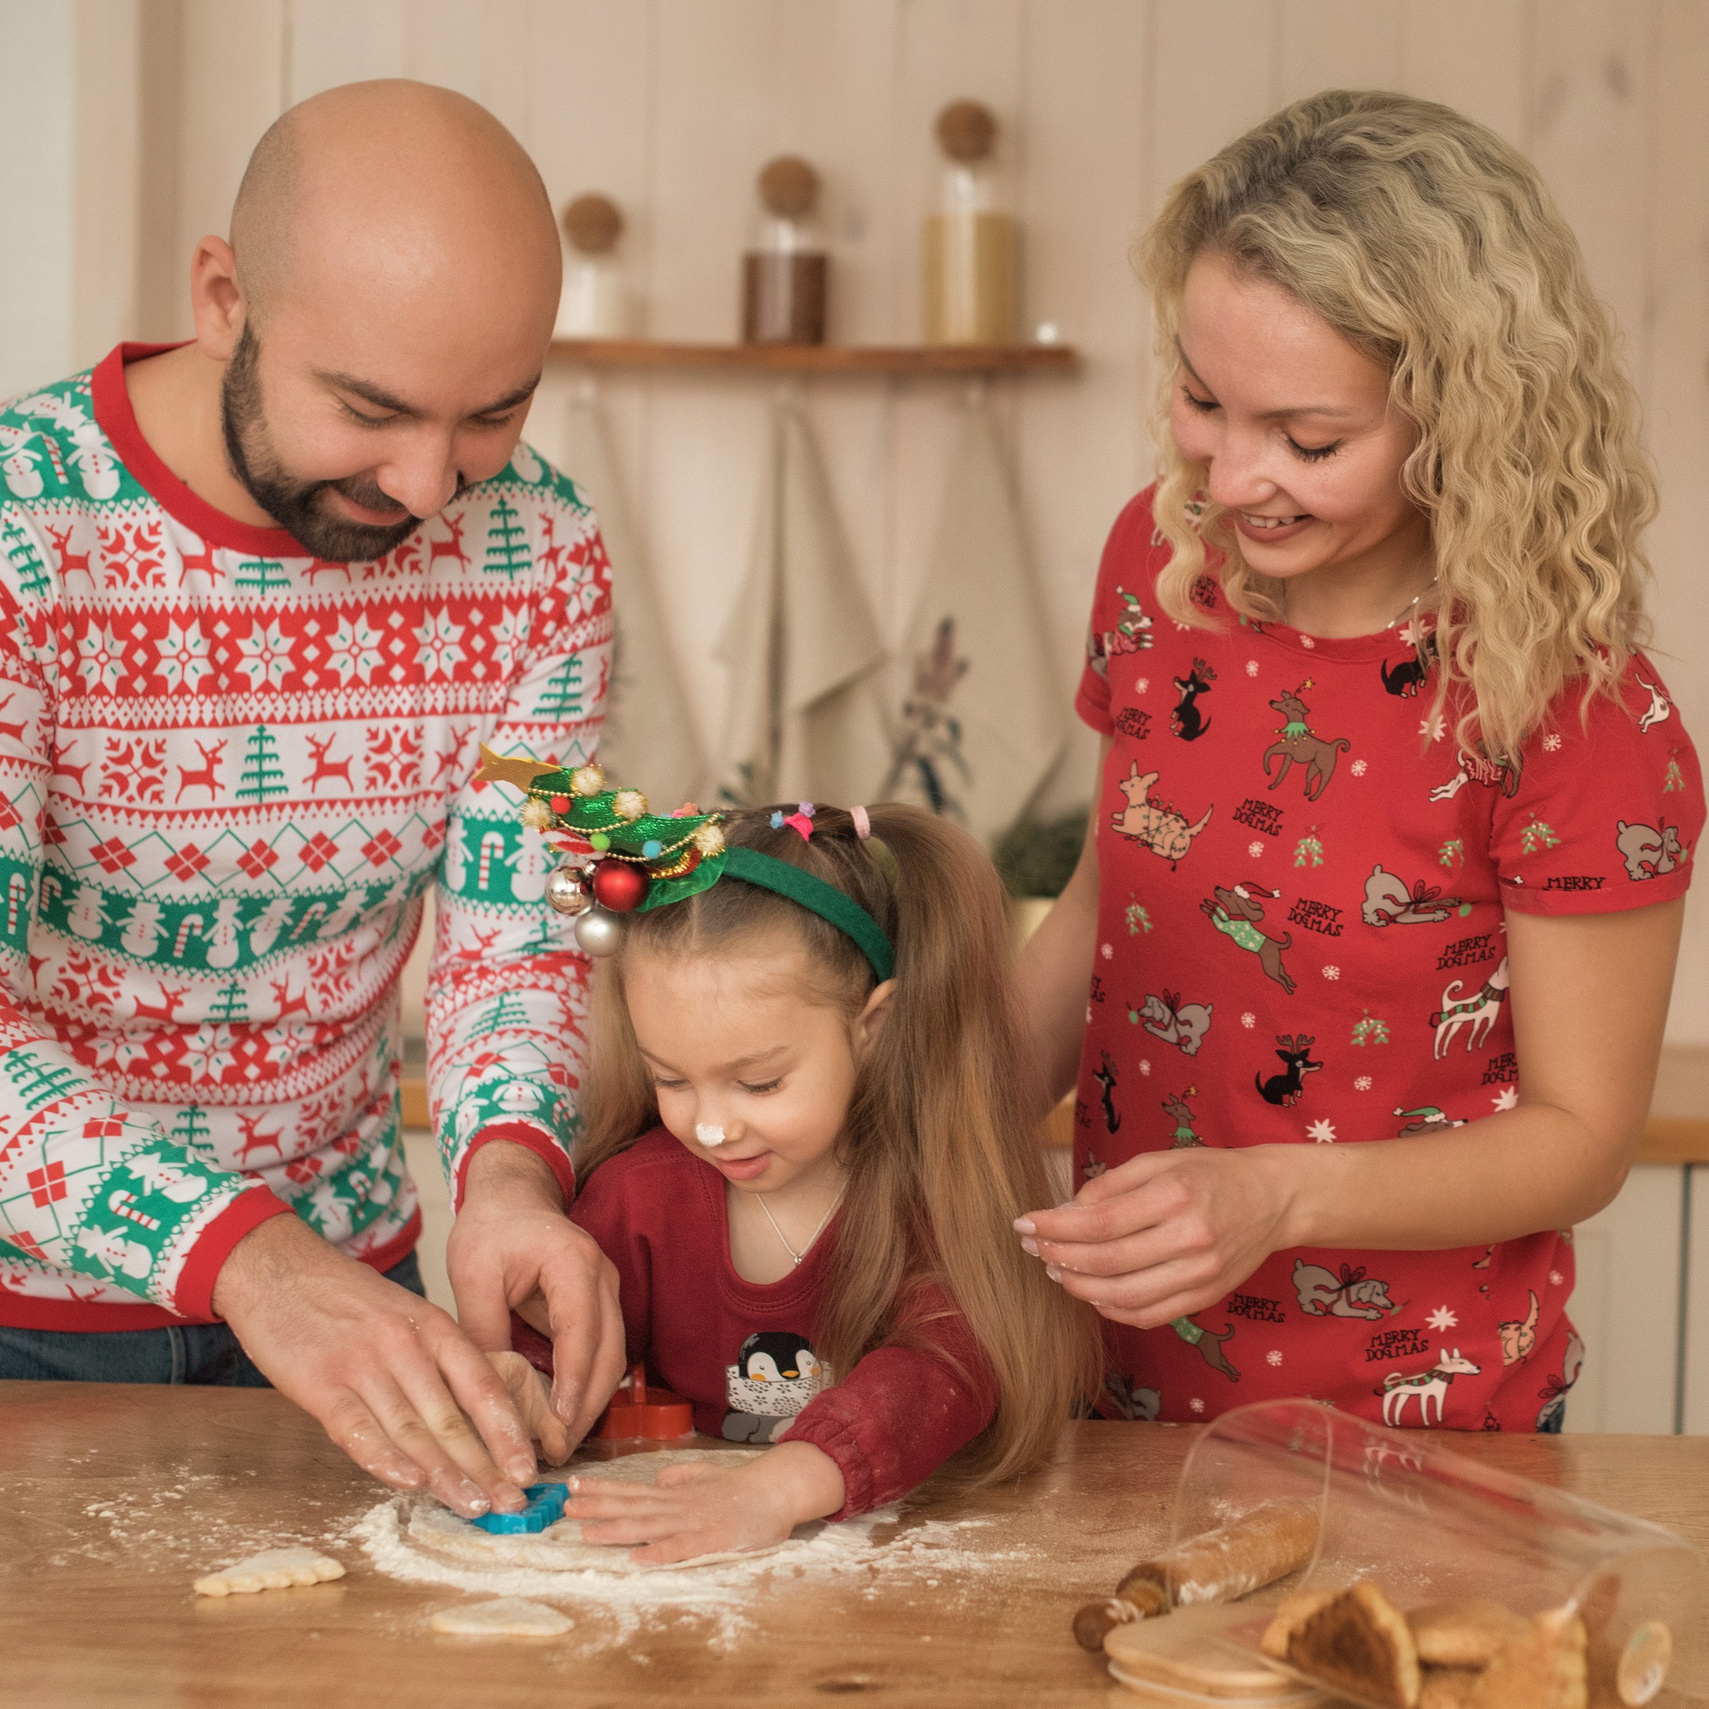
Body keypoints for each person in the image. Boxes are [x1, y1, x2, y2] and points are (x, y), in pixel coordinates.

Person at [1015, 90, 1704, 1430]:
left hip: (1429, 1432)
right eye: (1203, 400)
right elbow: (1112, 902)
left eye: (1308, 440)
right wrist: (928, 1104)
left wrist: (1273, 1193)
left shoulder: (1570, 713)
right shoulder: (1156, 571)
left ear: (1462, 422)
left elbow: (1581, 1138)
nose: (1227, 476)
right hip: (1109, 1387)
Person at [0, 80, 627, 1514]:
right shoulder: (22, 534)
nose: (426, 488)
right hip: (29, 1322)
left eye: (493, 415)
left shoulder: (544, 551)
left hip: (364, 1296)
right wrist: (252, 1260)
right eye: (370, 409)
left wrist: (515, 1182)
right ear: (224, 295)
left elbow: (507, 935)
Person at [488, 774, 1097, 1562]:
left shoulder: (928, 1194)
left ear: (872, 1026)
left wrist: (776, 1488)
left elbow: (943, 1368)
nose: (709, 1122)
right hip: (688, 1560)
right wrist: (527, 1390)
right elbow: (564, 1335)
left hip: (889, 1566)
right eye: (669, 1078)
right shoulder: (639, 1196)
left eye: (759, 1081)